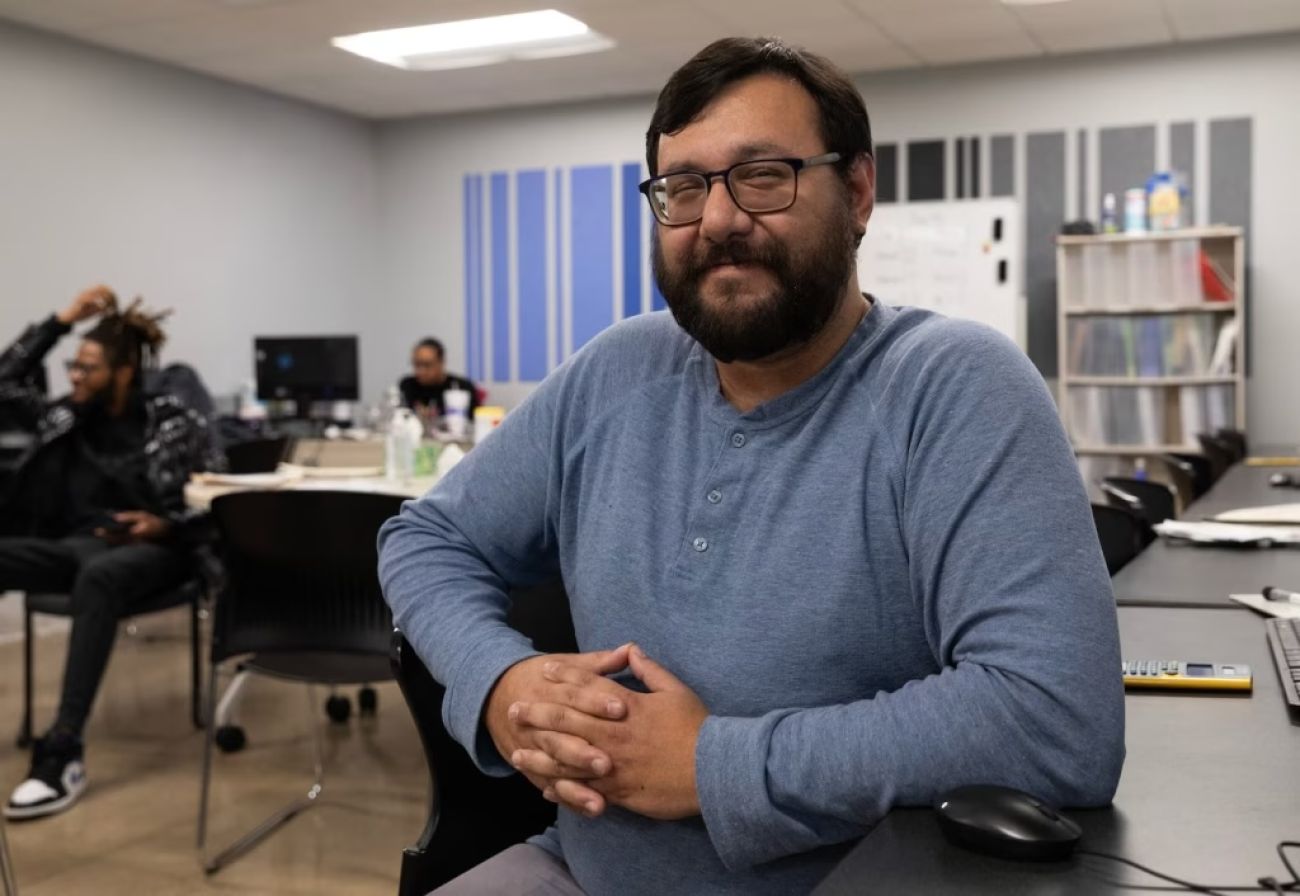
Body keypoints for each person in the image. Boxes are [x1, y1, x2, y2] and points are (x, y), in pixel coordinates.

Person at [378, 36, 1124, 895]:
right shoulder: (617, 370)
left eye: (763, 174)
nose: (720, 219)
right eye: (682, 187)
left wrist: (713, 765)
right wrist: (500, 683)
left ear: (857, 191)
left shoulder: (957, 387)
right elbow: (425, 537)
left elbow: (1056, 718)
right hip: (580, 871)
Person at [0, 285, 224, 820]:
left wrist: (164, 524)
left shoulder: (172, 416)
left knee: (100, 578)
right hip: (78, 546)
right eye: (73, 366)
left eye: (88, 368)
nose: (75, 377)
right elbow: (5, 381)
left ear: (124, 372)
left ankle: (62, 752)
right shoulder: (68, 414)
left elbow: (215, 490)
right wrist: (62, 319)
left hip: (160, 550)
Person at [399, 337, 479, 420]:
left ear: (441, 362)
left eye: (427, 365)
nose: (421, 371)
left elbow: (474, 422)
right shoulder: (407, 385)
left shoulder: (462, 387)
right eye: (417, 364)